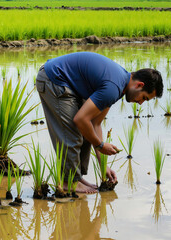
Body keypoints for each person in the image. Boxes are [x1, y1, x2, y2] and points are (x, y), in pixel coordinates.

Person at [36, 51, 163, 193]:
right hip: (53, 79)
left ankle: (77, 177)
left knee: (86, 130)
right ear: (139, 85)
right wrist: (100, 145)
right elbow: (80, 119)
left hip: (66, 82)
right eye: (144, 98)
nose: (140, 103)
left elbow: (95, 124)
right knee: (72, 131)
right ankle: (69, 181)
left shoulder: (119, 85)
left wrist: (104, 165)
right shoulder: (113, 88)